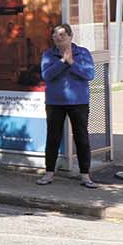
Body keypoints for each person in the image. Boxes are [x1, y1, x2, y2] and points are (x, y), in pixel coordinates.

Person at [38, 23, 98, 188]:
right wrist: (63, 62)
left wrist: (72, 63)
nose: (58, 38)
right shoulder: (48, 54)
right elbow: (47, 75)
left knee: (81, 138)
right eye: (55, 35)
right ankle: (49, 173)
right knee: (53, 138)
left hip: (78, 102)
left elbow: (89, 74)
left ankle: (85, 175)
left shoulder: (83, 53)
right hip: (55, 102)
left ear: (71, 37)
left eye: (63, 34)